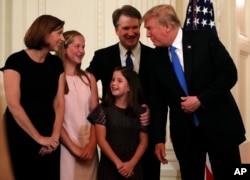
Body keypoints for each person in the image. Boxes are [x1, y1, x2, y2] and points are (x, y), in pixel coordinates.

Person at [141, 4, 246, 180]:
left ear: (167, 26)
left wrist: (201, 99)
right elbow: (157, 102)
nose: (147, 34)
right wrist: (158, 139)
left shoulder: (205, 39)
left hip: (219, 126)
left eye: (150, 28)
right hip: (186, 135)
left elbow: (229, 74)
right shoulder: (155, 58)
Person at [86, 5, 160, 180]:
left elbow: (162, 94)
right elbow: (86, 81)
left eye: (135, 27)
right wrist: (96, 106)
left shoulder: (155, 56)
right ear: (116, 30)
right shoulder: (102, 56)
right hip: (113, 137)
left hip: (145, 133)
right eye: (126, 28)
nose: (131, 32)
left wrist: (150, 109)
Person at [1, 14, 65, 180]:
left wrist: (54, 138)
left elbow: (59, 102)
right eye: (59, 33)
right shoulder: (15, 61)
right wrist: (39, 138)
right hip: (21, 131)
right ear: (45, 33)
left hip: (50, 130)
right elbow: (14, 105)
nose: (62, 38)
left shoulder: (56, 63)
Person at [88, 66, 148, 180]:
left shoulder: (140, 111)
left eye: (119, 81)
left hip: (134, 168)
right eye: (113, 79)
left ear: (130, 87)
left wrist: (131, 164)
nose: (114, 83)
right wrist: (119, 164)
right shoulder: (103, 109)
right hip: (109, 168)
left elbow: (143, 142)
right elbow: (101, 140)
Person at [56, 30, 99, 180]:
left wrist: (92, 144)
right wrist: (74, 148)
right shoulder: (56, 79)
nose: (82, 51)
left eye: (83, 47)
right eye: (77, 46)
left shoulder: (89, 78)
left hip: (89, 146)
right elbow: (55, 118)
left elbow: (96, 114)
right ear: (64, 48)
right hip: (65, 146)